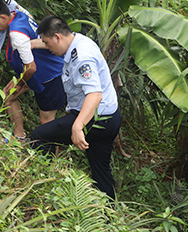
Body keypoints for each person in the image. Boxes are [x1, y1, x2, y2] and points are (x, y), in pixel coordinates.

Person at [30, 15, 121, 199]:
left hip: (95, 117)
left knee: (40, 136)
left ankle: (43, 187)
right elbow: (52, 43)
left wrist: (78, 126)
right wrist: (31, 44)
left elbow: (94, 95)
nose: (47, 48)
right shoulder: (78, 40)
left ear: (57, 37)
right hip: (110, 116)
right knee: (100, 170)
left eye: (47, 43)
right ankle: (110, 212)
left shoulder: (82, 58)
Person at [0, 0, 66, 141]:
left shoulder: (17, 34)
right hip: (40, 70)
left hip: (50, 76)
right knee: (8, 96)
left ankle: (52, 159)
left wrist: (19, 83)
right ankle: (19, 137)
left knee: (47, 121)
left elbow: (31, 68)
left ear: (2, 17)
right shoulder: (19, 14)